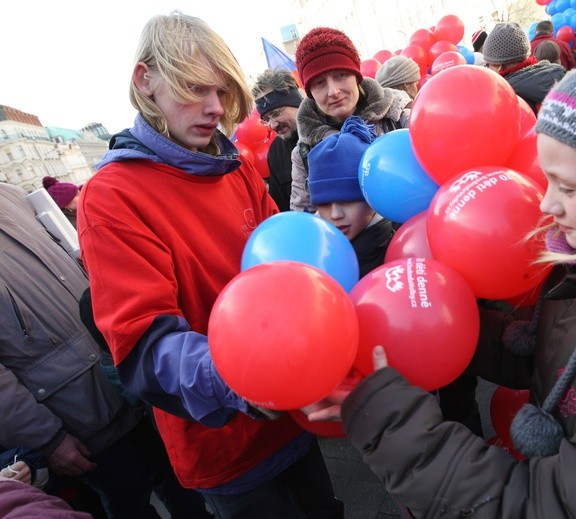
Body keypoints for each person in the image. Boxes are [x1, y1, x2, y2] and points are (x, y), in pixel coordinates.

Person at [305, 0, 576, 516]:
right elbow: (568, 363)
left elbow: (548, 507)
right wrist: (442, 329)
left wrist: (388, 421)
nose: (546, 203)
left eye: (567, 186)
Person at [77, 12, 343, 519]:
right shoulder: (111, 196)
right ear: (145, 80)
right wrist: (248, 376)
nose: (215, 108)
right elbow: (145, 345)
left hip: (292, 414)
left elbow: (288, 262)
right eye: (195, 89)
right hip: (225, 447)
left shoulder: (236, 163)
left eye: (221, 93)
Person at [0, 182, 171, 517]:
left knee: (179, 484)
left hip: (125, 380)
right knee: (130, 504)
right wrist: (48, 439)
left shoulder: (10, 195)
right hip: (77, 422)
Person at [290, 26, 411, 212]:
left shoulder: (399, 116)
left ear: (356, 75)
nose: (333, 92)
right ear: (310, 92)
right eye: (319, 83)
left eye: (340, 75)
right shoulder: (304, 153)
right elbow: (304, 218)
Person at [308, 116, 394, 278]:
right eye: (324, 203)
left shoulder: (397, 251)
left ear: (370, 195)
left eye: (347, 200)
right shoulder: (313, 253)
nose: (335, 214)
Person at [482, 22, 566, 115]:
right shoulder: (556, 74)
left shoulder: (507, 98)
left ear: (497, 66)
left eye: (487, 64)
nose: (487, 69)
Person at [252, 67, 304, 212]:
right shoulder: (275, 152)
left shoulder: (328, 131)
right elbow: (281, 208)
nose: (272, 125)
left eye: (276, 113)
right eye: (266, 119)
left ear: (296, 103)